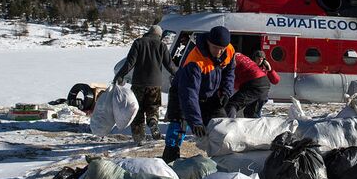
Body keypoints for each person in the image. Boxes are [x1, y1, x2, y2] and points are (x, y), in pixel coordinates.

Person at [162, 26, 235, 163]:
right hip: (182, 94)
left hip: (209, 95)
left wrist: (226, 90)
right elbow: (189, 94)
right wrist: (195, 121)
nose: (219, 52)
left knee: (222, 126)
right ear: (208, 42)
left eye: (222, 48)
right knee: (178, 129)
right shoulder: (195, 61)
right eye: (215, 47)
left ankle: (223, 162)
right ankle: (169, 160)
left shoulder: (229, 50)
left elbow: (229, 72)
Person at [114, 25, 173, 144]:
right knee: (153, 108)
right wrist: (181, 74)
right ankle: (153, 122)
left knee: (138, 111)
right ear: (159, 35)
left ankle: (139, 138)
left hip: (138, 84)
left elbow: (129, 63)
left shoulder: (138, 43)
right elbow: (170, 65)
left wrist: (119, 75)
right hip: (155, 85)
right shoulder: (162, 46)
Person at [227, 50, 281, 118]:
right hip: (254, 88)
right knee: (250, 113)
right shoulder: (250, 65)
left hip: (257, 89)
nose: (260, 61)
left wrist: (270, 70)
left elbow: (276, 81)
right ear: (254, 58)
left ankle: (229, 125)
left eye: (262, 59)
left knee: (234, 105)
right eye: (258, 58)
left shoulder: (264, 69)